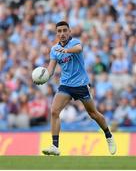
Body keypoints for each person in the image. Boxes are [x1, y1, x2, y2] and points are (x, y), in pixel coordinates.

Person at [33, 21, 117, 156]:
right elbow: (50, 69)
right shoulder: (54, 49)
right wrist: (43, 77)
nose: (62, 33)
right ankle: (55, 146)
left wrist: (66, 50)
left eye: (64, 30)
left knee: (93, 114)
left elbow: (79, 49)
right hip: (65, 85)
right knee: (54, 111)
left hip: (81, 84)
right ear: (56, 34)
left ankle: (108, 136)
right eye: (59, 31)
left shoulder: (75, 43)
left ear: (69, 32)